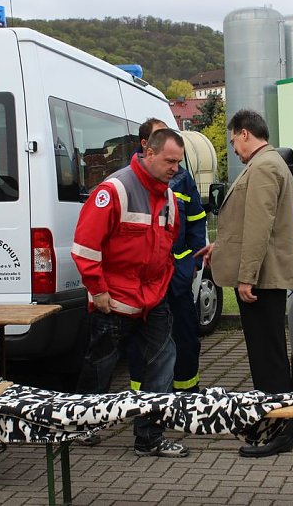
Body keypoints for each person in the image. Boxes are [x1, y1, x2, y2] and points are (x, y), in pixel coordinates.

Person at [71, 127, 190, 458]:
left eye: (178, 163)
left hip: (153, 300)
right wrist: (99, 292)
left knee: (163, 361)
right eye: (169, 161)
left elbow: (166, 245)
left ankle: (149, 437)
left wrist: (163, 285)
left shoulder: (168, 196)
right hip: (114, 302)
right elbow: (84, 247)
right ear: (149, 154)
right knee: (100, 365)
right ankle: (81, 426)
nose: (175, 169)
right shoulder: (114, 190)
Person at [196, 109, 293, 458]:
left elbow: (260, 228)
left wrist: (247, 277)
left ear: (245, 134)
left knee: (267, 358)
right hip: (264, 276)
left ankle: (279, 430)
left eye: (233, 141)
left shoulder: (264, 167)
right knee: (266, 356)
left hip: (261, 280)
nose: (234, 149)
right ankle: (271, 420)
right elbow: (250, 225)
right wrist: (221, 245)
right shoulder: (266, 165)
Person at [126, 119, 207, 394]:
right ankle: (145, 396)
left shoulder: (182, 179)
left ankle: (186, 393)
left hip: (177, 275)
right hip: (145, 281)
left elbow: (196, 221)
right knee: (145, 341)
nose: (173, 165)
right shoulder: (128, 181)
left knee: (185, 335)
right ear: (147, 146)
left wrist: (193, 264)